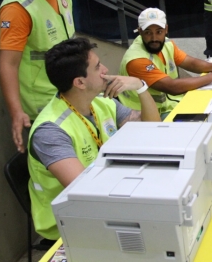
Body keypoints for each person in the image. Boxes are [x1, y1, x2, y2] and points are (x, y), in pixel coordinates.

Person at [28, 37, 161, 240]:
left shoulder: (100, 102)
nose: (105, 70)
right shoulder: (50, 131)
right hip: (70, 222)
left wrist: (140, 86)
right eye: (98, 67)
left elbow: (152, 129)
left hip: (107, 198)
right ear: (80, 82)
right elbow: (85, 193)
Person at [0, 0, 81, 153]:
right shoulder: (18, 8)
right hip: (43, 107)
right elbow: (8, 64)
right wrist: (16, 112)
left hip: (69, 95)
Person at [119, 8, 212, 120]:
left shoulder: (168, 44)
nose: (154, 38)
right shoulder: (136, 59)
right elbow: (172, 87)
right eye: (148, 33)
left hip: (170, 105)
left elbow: (190, 63)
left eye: (159, 32)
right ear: (139, 31)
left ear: (166, 29)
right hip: (146, 115)